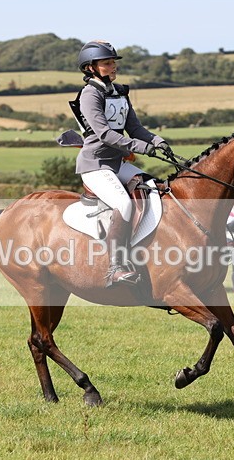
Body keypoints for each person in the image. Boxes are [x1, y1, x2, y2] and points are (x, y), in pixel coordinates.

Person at [70, 40, 173, 287]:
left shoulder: (118, 92)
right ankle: (116, 266)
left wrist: (157, 141)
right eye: (107, 63)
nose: (113, 66)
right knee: (124, 205)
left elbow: (134, 128)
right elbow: (105, 134)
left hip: (116, 164)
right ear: (90, 68)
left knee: (156, 188)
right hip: (95, 165)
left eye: (114, 62)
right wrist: (142, 148)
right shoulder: (89, 94)